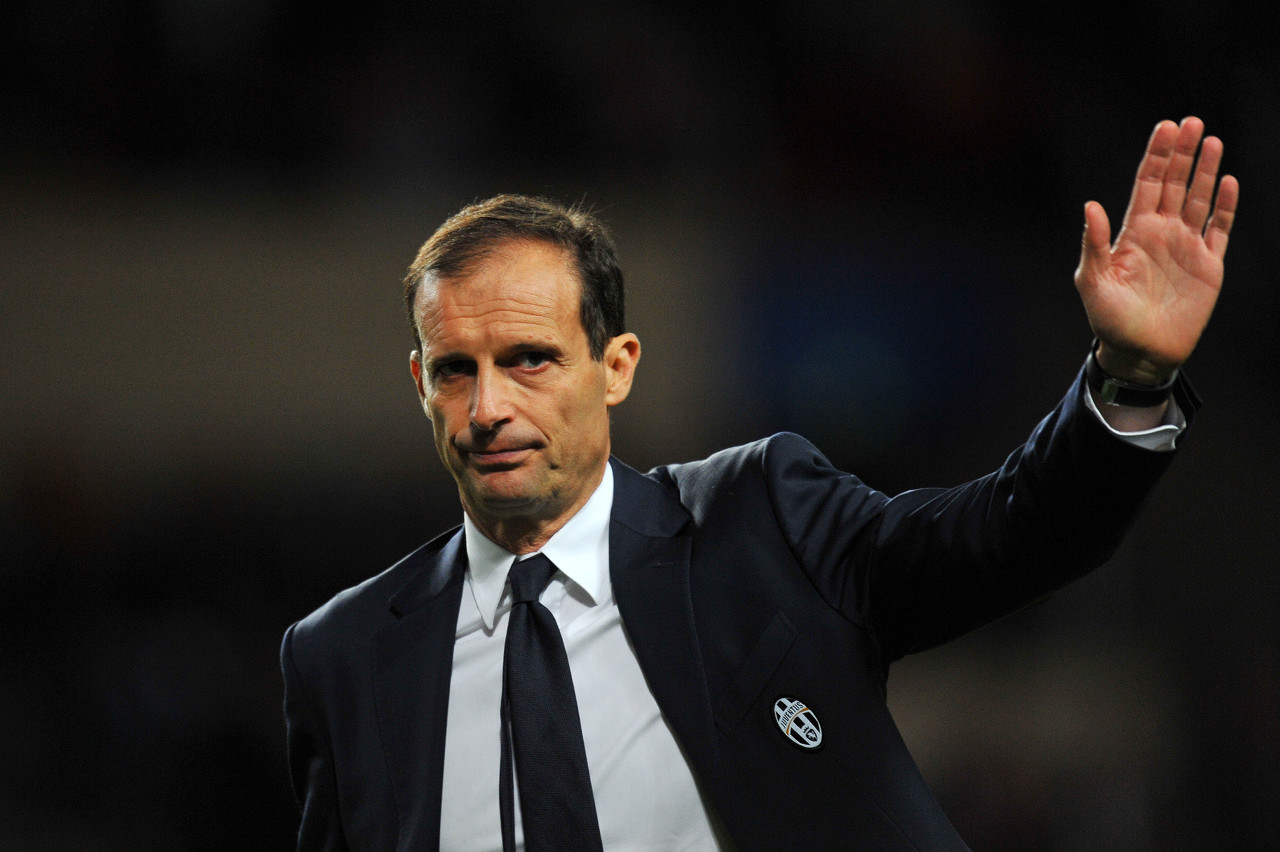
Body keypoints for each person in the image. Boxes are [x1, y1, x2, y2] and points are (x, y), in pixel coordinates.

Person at [281, 117, 1237, 851]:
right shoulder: (344, 658)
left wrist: (1130, 377)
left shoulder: (760, 521)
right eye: (456, 370)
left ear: (615, 367)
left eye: (529, 359)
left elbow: (1007, 538)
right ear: (421, 383)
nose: (487, 407)